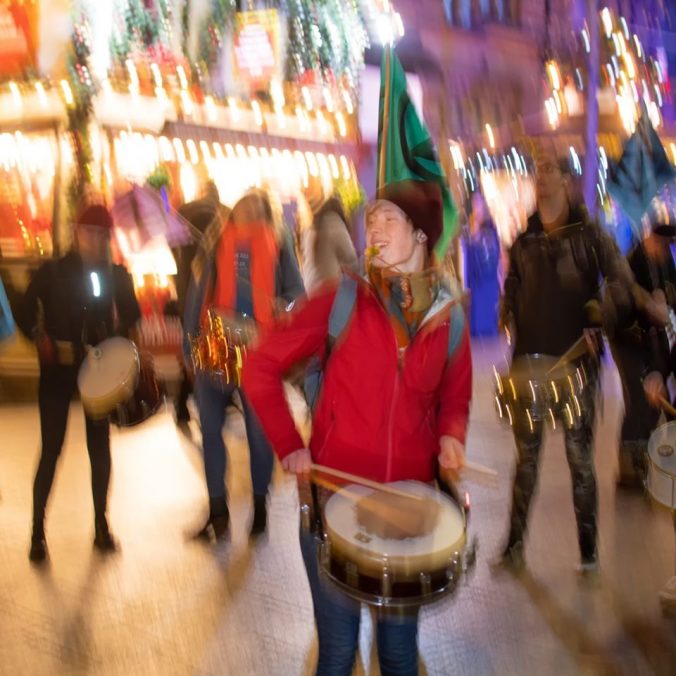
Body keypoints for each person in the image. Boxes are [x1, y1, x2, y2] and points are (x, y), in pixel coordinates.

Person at [242, 179, 472, 675]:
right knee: (339, 656)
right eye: (372, 218)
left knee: (397, 657)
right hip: (331, 512)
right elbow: (258, 365)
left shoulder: (448, 319)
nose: (375, 228)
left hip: (407, 519)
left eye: (389, 218)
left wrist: (452, 434)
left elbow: (456, 393)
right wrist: (289, 445)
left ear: (420, 237)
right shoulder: (340, 300)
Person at [497, 148, 660, 574]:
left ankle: (588, 555)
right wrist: (507, 313)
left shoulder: (591, 236)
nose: (542, 176)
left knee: (579, 462)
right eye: (537, 169)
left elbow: (623, 285)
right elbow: (511, 291)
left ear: (568, 180)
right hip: (529, 366)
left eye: (549, 168)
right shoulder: (524, 240)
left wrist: (600, 314)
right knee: (526, 461)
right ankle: (514, 548)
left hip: (577, 370)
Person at [16, 204, 141, 563]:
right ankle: (37, 531)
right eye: (90, 233)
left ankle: (101, 526)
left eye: (103, 235)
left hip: (97, 369)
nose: (97, 241)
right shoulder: (53, 271)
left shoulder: (116, 273)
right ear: (76, 232)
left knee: (99, 447)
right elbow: (24, 307)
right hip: (58, 368)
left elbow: (132, 310)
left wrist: (117, 333)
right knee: (52, 447)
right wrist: (38, 336)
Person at [183, 188, 304, 540]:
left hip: (258, 349)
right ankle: (217, 511)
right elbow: (196, 294)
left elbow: (298, 294)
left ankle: (260, 506)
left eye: (256, 204)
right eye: (243, 203)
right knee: (209, 427)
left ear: (267, 214)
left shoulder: (280, 244)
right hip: (215, 344)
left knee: (258, 432)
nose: (248, 207)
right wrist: (189, 347)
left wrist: (284, 304)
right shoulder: (214, 242)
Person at [611, 202, 675, 488]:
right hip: (627, 338)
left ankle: (646, 458)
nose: (665, 248)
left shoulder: (665, 262)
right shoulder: (631, 264)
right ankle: (628, 468)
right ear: (650, 237)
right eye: (662, 242)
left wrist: (665, 302)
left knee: (654, 397)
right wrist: (649, 306)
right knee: (638, 396)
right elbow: (622, 314)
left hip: (651, 336)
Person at [298, 177, 358, 295]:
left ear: (321, 190)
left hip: (330, 299)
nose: (307, 191)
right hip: (313, 300)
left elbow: (351, 262)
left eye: (311, 187)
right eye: (304, 188)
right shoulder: (306, 227)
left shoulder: (331, 222)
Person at [464, 192, 501, 337]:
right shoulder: (469, 228)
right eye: (475, 203)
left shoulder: (490, 228)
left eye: (479, 203)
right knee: (477, 313)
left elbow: (496, 254)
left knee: (487, 313)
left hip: (488, 281)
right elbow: (467, 256)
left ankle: (488, 329)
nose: (477, 206)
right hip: (476, 282)